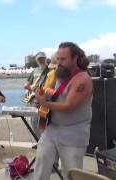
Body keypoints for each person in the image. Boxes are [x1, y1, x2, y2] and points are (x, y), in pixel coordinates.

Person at [34, 42, 92, 180]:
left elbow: (68, 106)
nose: (59, 62)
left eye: (63, 59)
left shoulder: (83, 79)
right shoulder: (59, 73)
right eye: (58, 58)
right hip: (52, 129)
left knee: (71, 173)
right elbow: (54, 92)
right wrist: (43, 96)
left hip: (74, 132)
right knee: (41, 164)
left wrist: (45, 103)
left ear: (75, 58)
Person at [24, 51, 49, 139]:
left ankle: (44, 141)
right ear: (37, 60)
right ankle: (38, 141)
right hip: (33, 98)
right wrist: (27, 87)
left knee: (43, 121)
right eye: (39, 59)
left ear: (46, 58)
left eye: (43, 58)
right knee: (34, 121)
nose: (41, 60)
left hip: (45, 98)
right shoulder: (34, 71)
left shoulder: (50, 70)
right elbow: (28, 83)